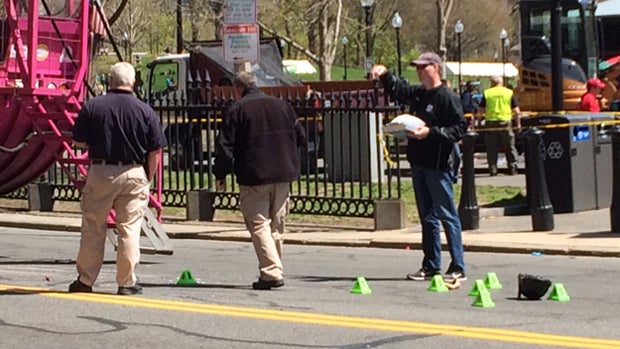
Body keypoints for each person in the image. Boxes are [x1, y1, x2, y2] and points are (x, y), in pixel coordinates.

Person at [69, 62, 167, 295]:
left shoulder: (93, 106)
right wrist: (148, 176)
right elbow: (155, 150)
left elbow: (78, 141)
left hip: (102, 171)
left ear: (110, 81)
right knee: (130, 229)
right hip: (134, 172)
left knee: (93, 226)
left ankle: (85, 280)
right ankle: (126, 282)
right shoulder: (145, 110)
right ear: (132, 82)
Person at [371, 52, 468, 282]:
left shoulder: (447, 97)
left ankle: (458, 266)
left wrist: (430, 133)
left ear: (435, 67)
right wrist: (385, 74)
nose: (419, 71)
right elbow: (399, 90)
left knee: (447, 215)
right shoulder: (419, 94)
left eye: (423, 67)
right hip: (419, 162)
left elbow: (460, 128)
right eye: (417, 67)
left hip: (438, 164)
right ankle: (431, 265)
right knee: (428, 217)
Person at [213, 71, 306, 290]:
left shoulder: (237, 109)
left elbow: (225, 147)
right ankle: (273, 267)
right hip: (283, 173)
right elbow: (301, 137)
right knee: (277, 223)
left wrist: (220, 174)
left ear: (237, 90)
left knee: (258, 223)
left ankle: (271, 271)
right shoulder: (282, 106)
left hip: (254, 175)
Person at [478, 75, 521, 176]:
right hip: (505, 123)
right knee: (510, 147)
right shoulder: (509, 93)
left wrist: (479, 122)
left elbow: (481, 110)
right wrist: (518, 124)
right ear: (501, 82)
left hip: (491, 124)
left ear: (492, 83)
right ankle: (512, 168)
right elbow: (517, 111)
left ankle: (493, 169)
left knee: (491, 148)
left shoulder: (487, 93)